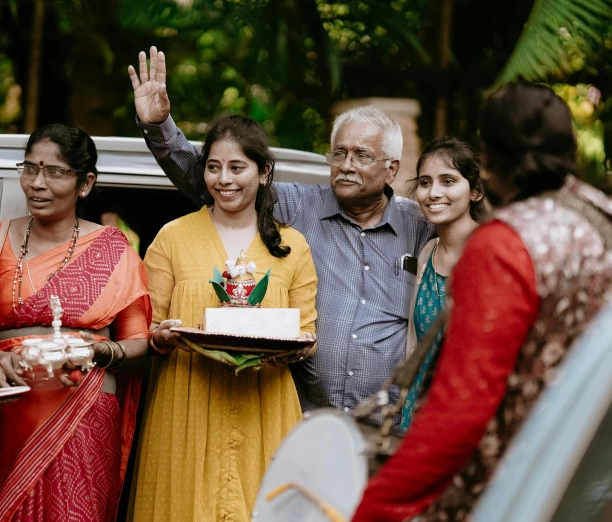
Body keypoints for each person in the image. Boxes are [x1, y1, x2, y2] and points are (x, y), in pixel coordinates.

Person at [351, 81, 612, 521]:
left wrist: (375, 509)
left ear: (489, 161)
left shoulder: (502, 245)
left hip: (525, 493)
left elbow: (461, 413)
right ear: (570, 149)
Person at [129, 47, 433, 417]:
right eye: (339, 153)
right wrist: (159, 127)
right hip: (307, 419)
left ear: (392, 169)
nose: (347, 165)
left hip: (391, 423)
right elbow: (221, 183)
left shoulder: (421, 226)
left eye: (362, 156)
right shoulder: (298, 207)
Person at [128, 115, 318, 522]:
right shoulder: (172, 238)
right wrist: (162, 337)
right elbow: (145, 330)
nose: (223, 179)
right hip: (187, 402)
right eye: (213, 167)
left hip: (264, 404)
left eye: (237, 167)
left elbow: (307, 334)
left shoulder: (293, 246)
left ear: (264, 172)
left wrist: (294, 346)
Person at [0, 124, 152, 522]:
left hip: (83, 415)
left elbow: (141, 346)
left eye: (55, 172)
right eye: (30, 169)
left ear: (85, 184)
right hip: (3, 418)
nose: (37, 184)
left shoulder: (115, 250)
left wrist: (99, 352)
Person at [400, 137, 484, 429]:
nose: (434, 193)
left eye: (448, 181)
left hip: (467, 417)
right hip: (416, 415)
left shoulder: (489, 254)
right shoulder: (425, 253)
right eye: (425, 182)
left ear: (475, 191)